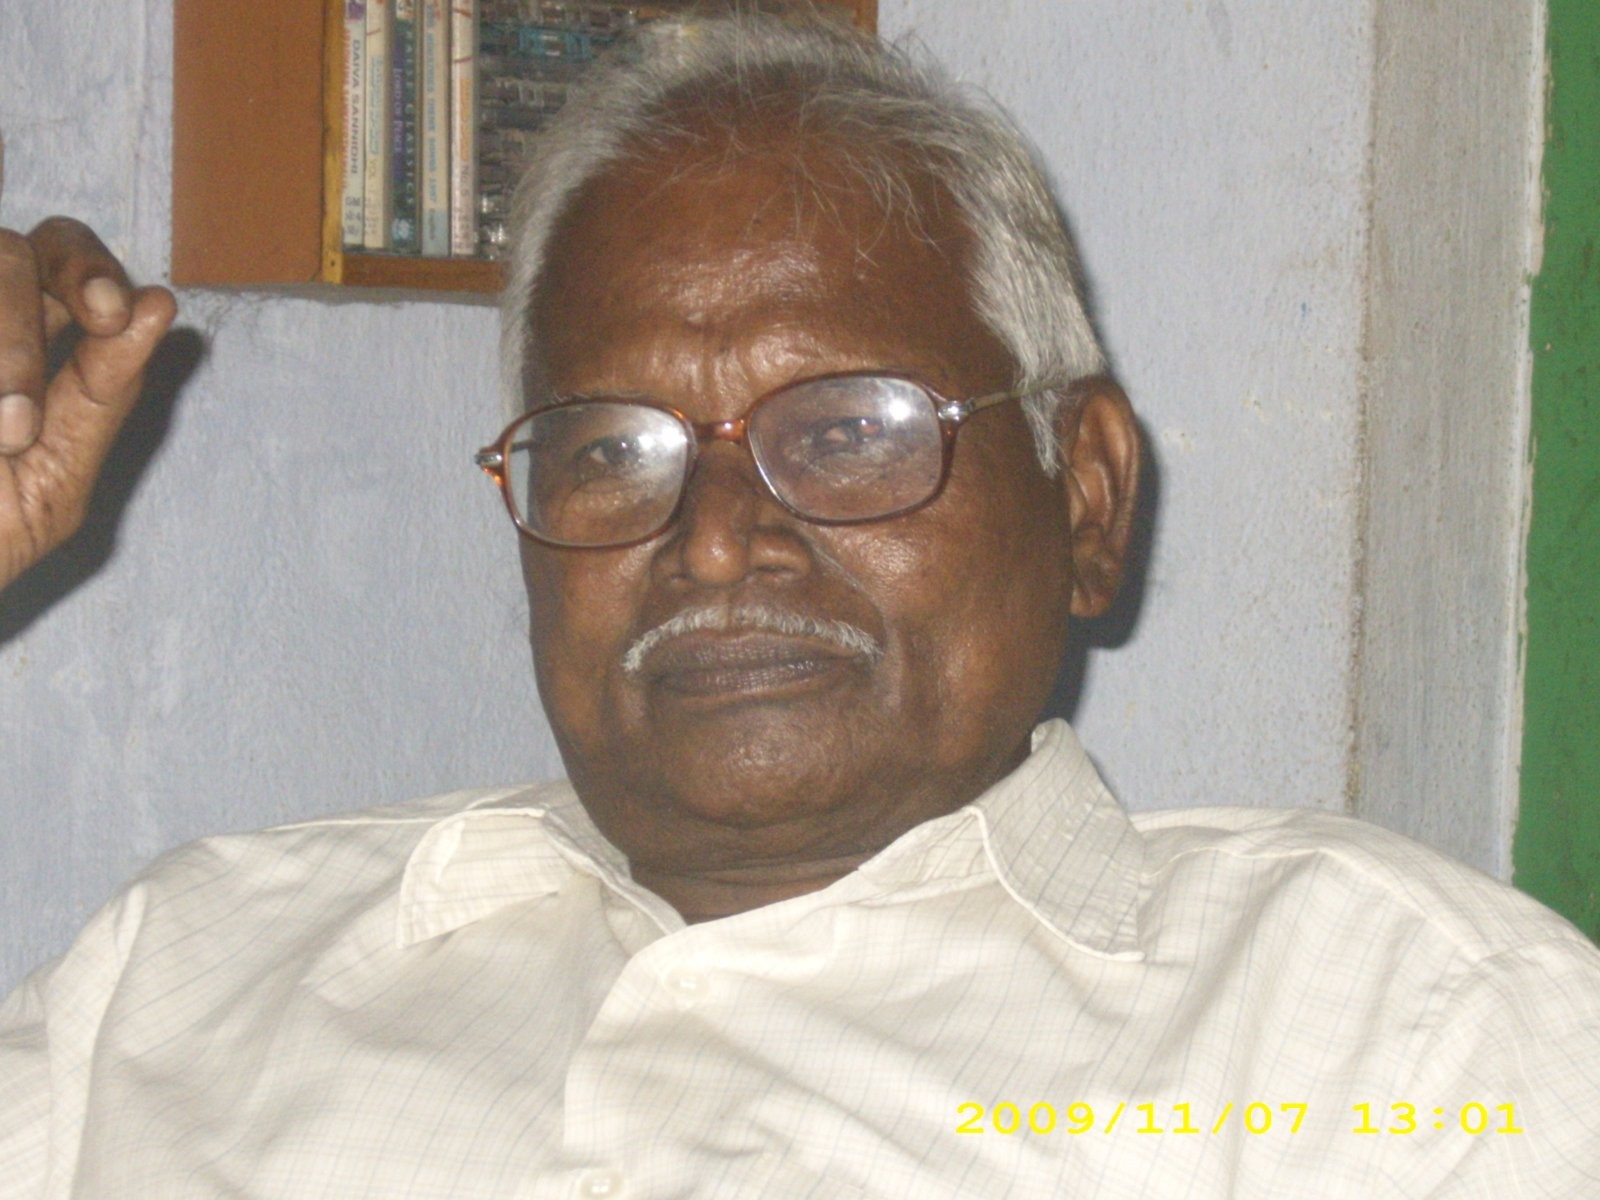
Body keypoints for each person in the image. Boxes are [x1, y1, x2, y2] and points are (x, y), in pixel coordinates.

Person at [2, 11, 1598, 1198]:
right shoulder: (191, 972)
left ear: (1087, 497)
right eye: (612, 448)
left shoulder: (1394, 1040)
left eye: (845, 431)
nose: (713, 545)